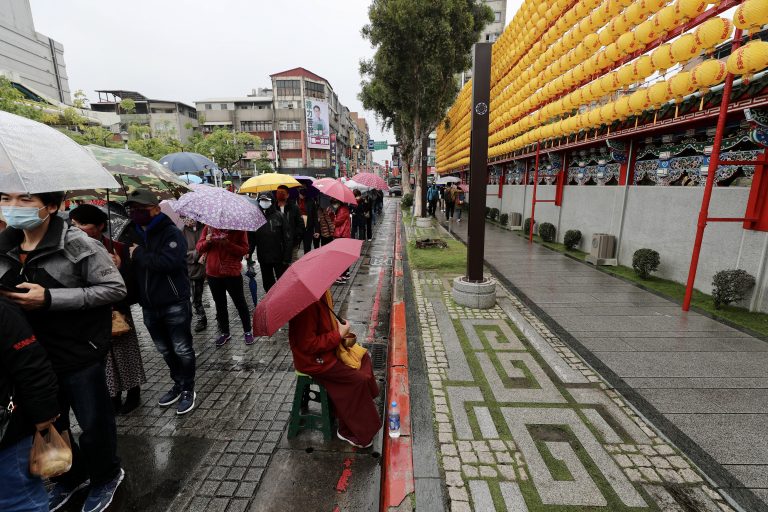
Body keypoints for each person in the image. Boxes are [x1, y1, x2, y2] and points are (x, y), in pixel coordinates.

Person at [0, 191, 126, 512]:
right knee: (52, 426)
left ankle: (106, 476)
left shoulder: (78, 244)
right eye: (5, 198)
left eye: (25, 199)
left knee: (94, 424)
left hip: (79, 355)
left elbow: (114, 288)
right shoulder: (4, 246)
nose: (13, 206)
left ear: (52, 206)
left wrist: (51, 298)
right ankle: (72, 476)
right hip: (31, 362)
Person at [69, 204, 147, 415]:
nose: (77, 228)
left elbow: (133, 287)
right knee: (104, 358)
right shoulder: (72, 249)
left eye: (83, 224)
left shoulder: (118, 247)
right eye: (74, 224)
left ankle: (133, 392)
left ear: (100, 226)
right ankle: (112, 396)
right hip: (91, 312)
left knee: (124, 353)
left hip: (117, 311)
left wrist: (121, 268)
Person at [126, 189, 197, 416]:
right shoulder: (132, 233)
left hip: (174, 301)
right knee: (164, 349)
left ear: (156, 209)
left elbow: (168, 262)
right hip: (149, 304)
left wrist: (138, 254)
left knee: (181, 348)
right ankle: (177, 382)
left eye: (142, 210)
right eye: (133, 210)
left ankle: (188, 389)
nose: (136, 214)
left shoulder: (170, 233)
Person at [289, 290, 381, 448]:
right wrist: (338, 335)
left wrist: (339, 329)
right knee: (356, 379)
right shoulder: (306, 306)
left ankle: (359, 406)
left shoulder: (321, 293)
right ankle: (347, 431)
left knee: (363, 358)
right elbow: (308, 344)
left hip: (327, 350)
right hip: (314, 360)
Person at [0, 297, 59, 512]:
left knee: (19, 502)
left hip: (7, 436)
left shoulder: (3, 311)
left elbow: (31, 363)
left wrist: (43, 420)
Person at [196, 225, 252, 347]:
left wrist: (227, 244)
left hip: (232, 273)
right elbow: (199, 248)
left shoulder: (239, 229)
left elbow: (244, 250)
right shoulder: (209, 228)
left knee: (240, 303)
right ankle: (225, 332)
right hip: (213, 274)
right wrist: (207, 241)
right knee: (220, 305)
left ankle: (247, 331)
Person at [254, 193, 292, 291]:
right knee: (267, 283)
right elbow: (252, 237)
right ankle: (270, 301)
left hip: (279, 256)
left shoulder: (280, 216)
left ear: (272, 202)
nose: (264, 202)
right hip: (263, 256)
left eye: (266, 200)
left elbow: (287, 238)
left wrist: (287, 257)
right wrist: (248, 252)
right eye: (262, 200)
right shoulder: (256, 218)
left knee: (282, 282)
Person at [182, 218, 208, 333]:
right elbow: (182, 253)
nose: (188, 219)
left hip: (210, 266)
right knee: (196, 297)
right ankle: (201, 318)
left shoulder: (205, 227)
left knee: (218, 295)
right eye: (184, 217)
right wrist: (198, 252)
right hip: (193, 270)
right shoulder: (181, 232)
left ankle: (220, 316)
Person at [275, 185, 304, 263]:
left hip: (292, 244)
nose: (280, 194)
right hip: (277, 245)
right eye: (278, 192)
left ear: (287, 195)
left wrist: (295, 236)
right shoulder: (273, 208)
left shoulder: (294, 208)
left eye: (282, 193)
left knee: (292, 266)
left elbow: (300, 225)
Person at [330, 199, 351, 284]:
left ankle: (341, 276)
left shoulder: (342, 210)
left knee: (340, 257)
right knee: (343, 256)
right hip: (343, 235)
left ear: (338, 203)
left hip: (342, 235)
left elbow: (337, 222)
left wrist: (331, 215)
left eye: (334, 203)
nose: (334, 205)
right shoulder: (342, 209)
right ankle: (345, 274)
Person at [297, 188, 320, 254]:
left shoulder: (311, 201)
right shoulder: (295, 200)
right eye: (301, 194)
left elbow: (315, 216)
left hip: (308, 227)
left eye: (303, 194)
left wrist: (317, 230)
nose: (302, 196)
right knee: (295, 248)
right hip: (298, 227)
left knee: (307, 248)